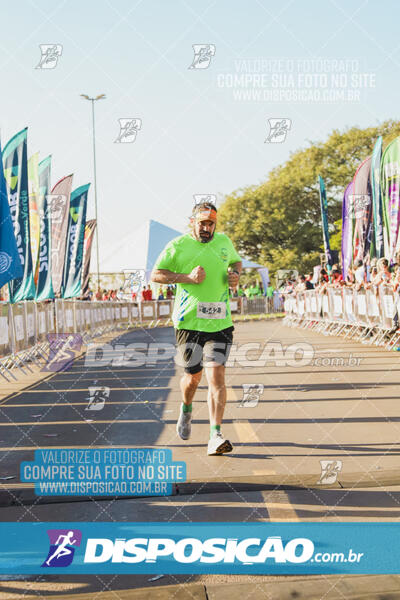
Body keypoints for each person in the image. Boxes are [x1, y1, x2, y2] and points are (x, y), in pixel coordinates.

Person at [151, 201, 242, 455]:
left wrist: (234, 275)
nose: (207, 228)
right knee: (192, 378)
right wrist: (186, 278)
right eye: (202, 223)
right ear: (193, 222)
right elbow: (156, 274)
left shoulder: (224, 241)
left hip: (220, 322)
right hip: (189, 323)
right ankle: (186, 408)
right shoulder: (178, 246)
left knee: (216, 376)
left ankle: (215, 435)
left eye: (211, 223)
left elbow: (236, 263)